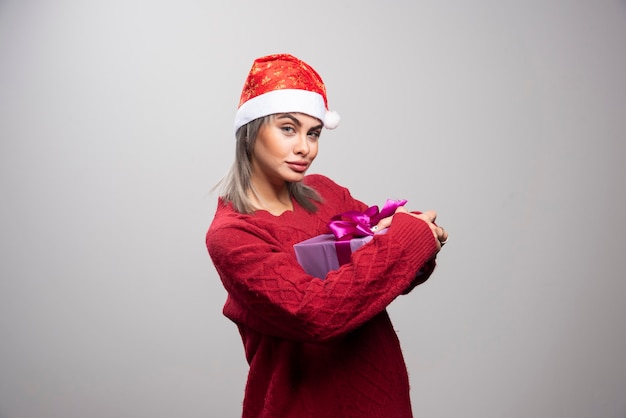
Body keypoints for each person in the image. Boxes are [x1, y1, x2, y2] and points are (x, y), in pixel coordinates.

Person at [206, 53, 448, 418]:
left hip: (378, 393)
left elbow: (382, 275)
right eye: (288, 128)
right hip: (303, 406)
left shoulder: (326, 193)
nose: (305, 147)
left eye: (314, 133)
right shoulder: (233, 234)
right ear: (252, 129)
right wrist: (407, 239)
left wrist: (419, 243)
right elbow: (315, 313)